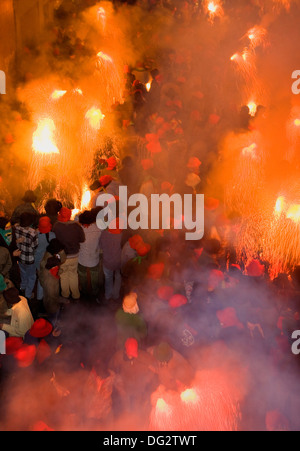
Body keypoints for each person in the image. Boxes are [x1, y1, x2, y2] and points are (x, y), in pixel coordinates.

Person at [53, 207, 85, 301]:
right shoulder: (76, 226)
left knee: (63, 276)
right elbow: (82, 239)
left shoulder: (56, 226)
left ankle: (65, 295)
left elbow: (53, 241)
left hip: (62, 256)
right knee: (73, 274)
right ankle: (76, 295)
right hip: (74, 255)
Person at [78, 209, 103, 300]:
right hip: (94, 258)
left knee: (82, 274)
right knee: (94, 275)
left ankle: (84, 292)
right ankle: (95, 292)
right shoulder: (99, 229)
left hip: (82, 258)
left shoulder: (80, 230)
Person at [15, 212, 38, 301]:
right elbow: (35, 246)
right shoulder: (33, 233)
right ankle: (28, 295)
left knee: (23, 273)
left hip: (20, 257)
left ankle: (22, 288)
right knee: (32, 277)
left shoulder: (16, 228)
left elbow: (16, 225)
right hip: (30, 259)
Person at [100, 218, 123, 305]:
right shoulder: (121, 236)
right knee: (118, 277)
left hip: (107, 262)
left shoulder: (104, 234)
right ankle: (116, 295)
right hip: (118, 262)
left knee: (108, 278)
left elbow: (100, 246)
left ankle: (108, 295)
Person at [35, 217, 56, 305]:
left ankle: (39, 298)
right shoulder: (52, 235)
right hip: (47, 261)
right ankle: (48, 298)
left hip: (37, 260)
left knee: (40, 278)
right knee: (48, 279)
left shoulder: (35, 234)